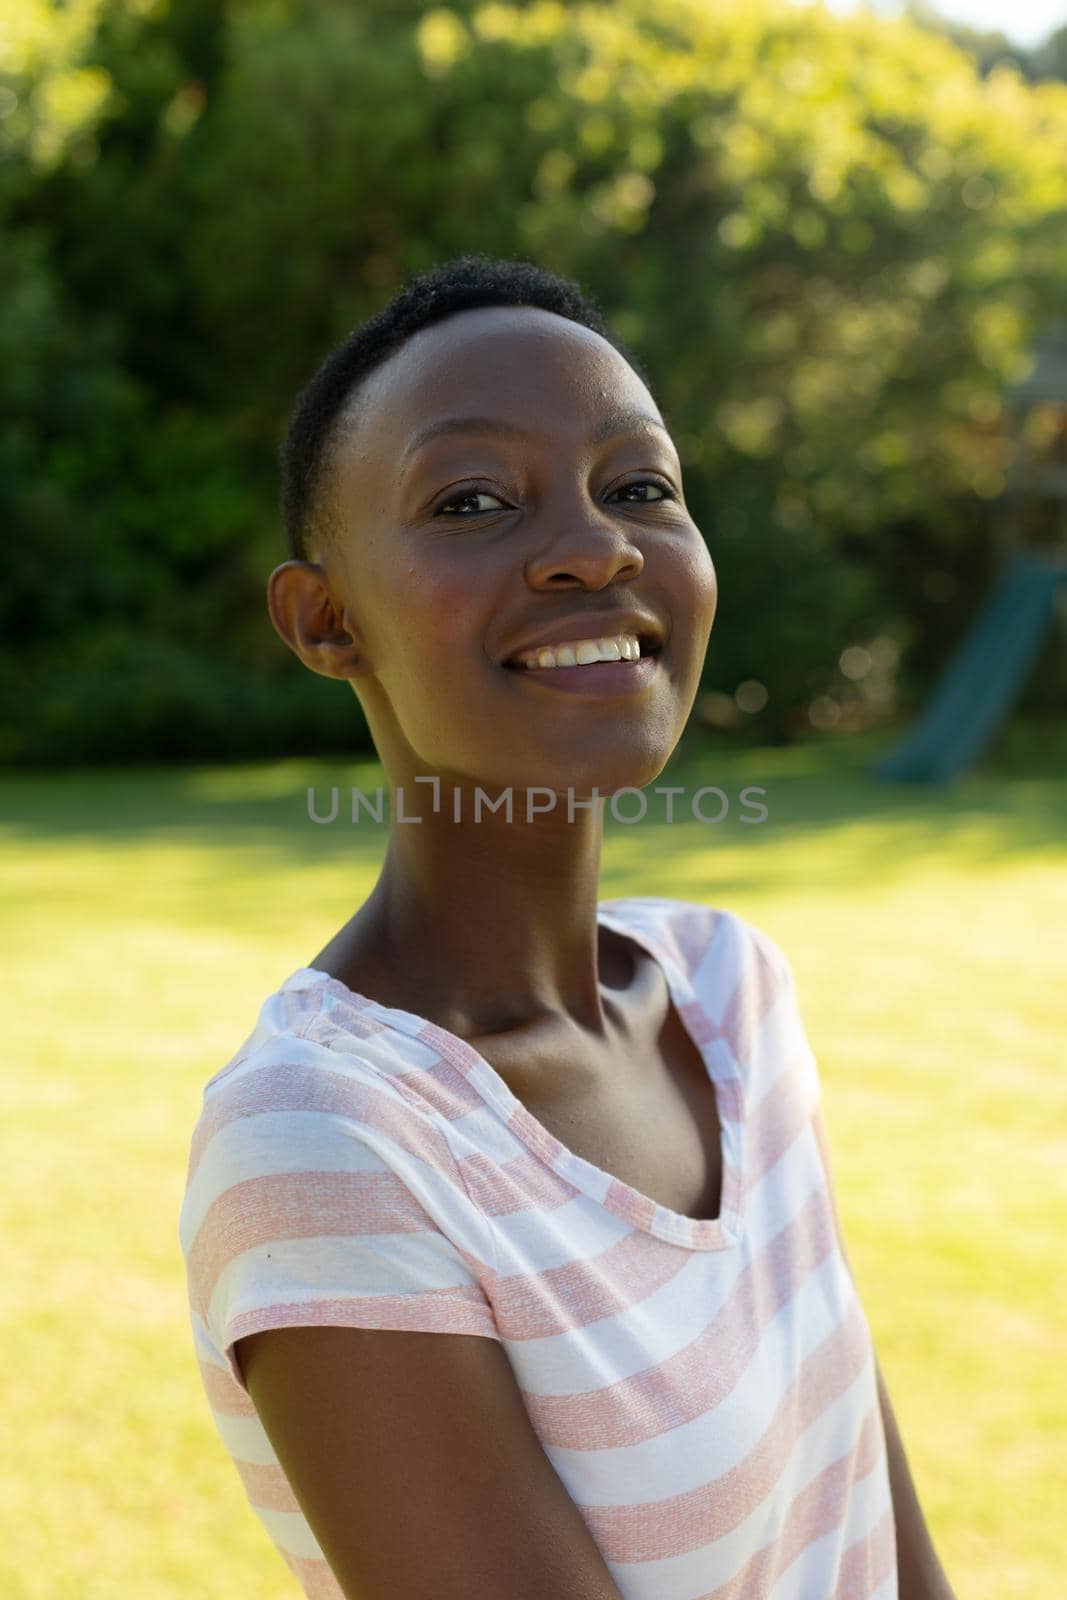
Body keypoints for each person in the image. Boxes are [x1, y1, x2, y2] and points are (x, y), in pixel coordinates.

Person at [178, 253, 956, 1599]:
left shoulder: (732, 996)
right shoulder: (329, 1141)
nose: (596, 545)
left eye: (639, 487)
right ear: (325, 621)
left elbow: (874, 1541)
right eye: (473, 499)